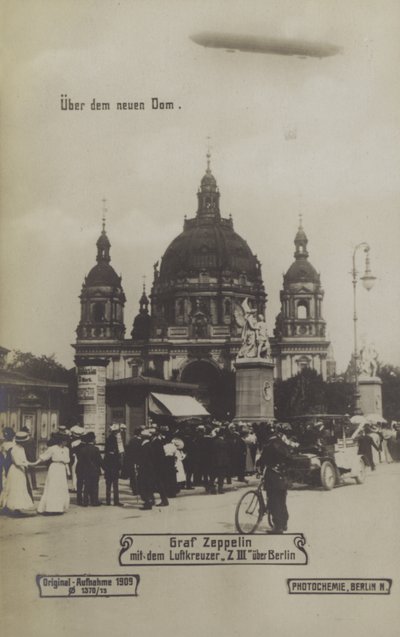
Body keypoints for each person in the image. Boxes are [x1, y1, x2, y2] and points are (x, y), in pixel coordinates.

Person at [259, 423, 295, 534]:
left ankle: (278, 527)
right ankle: (284, 524)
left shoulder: (269, 444)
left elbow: (263, 459)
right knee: (282, 500)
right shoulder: (282, 442)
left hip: (273, 475)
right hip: (283, 475)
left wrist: (259, 466)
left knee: (273, 501)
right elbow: (289, 457)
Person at [0, 431, 36, 516]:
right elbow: (17, 462)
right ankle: (11, 507)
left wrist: (29, 463)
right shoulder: (14, 449)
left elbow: (24, 460)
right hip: (15, 470)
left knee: (20, 487)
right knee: (14, 488)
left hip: (21, 470)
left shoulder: (22, 448)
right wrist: (28, 464)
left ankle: (16, 508)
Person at [34, 433, 70, 514]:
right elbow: (43, 457)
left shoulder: (67, 449)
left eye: (67, 441)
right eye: (65, 441)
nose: (66, 443)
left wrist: (68, 471)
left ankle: (59, 508)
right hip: (54, 468)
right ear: (61, 441)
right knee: (52, 487)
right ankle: (50, 508)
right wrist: (34, 463)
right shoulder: (52, 448)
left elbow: (67, 461)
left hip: (62, 469)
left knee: (61, 488)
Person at [77, 432, 103, 506]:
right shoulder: (96, 449)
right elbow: (100, 461)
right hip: (95, 470)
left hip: (86, 471)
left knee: (86, 485)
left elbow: (80, 461)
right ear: (93, 440)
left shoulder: (83, 449)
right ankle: (94, 501)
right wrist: (105, 468)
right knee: (95, 486)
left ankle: (85, 502)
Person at [104, 424, 124, 506]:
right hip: (114, 465)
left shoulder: (108, 439)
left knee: (108, 484)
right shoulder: (116, 440)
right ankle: (116, 501)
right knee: (115, 484)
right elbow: (119, 454)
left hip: (108, 465)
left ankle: (108, 501)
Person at [137, 429, 156, 510]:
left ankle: (148, 503)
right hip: (149, 469)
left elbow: (143, 459)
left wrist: (139, 465)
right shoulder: (149, 445)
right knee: (149, 485)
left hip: (145, 469)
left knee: (145, 486)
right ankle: (151, 500)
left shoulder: (145, 446)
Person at [0, 427, 15, 495]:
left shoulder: (4, 445)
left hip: (4, 464)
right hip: (10, 464)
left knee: (4, 480)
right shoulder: (14, 444)